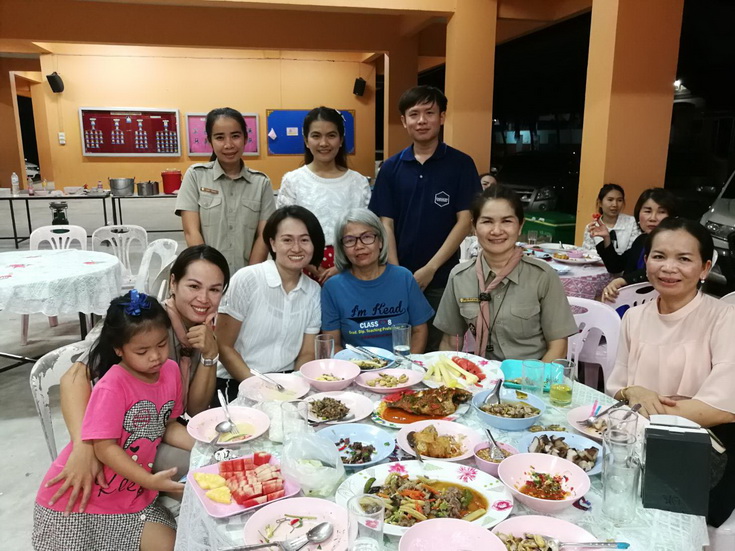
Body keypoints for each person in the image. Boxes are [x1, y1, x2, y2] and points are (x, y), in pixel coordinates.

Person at [54, 245, 229, 513]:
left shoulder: (202, 329)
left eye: (214, 290)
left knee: (220, 462)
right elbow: (74, 377)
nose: (204, 298)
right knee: (209, 476)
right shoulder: (143, 321)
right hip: (120, 438)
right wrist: (84, 446)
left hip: (160, 428)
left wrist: (209, 354)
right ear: (173, 282)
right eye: (194, 286)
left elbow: (193, 410)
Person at [33, 291, 189, 551]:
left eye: (162, 344)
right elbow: (104, 448)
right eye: (142, 351)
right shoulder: (113, 385)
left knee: (173, 545)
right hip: (81, 498)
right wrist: (149, 480)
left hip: (130, 496)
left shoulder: (171, 371)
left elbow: (168, 424)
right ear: (119, 349)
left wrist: (206, 442)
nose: (155, 356)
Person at [605, 217, 735, 527]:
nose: (668, 268)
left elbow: (721, 409)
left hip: (701, 457)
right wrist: (633, 392)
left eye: (684, 259)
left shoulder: (723, 318)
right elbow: (617, 387)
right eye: (659, 256)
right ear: (646, 260)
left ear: (704, 268)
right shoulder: (634, 317)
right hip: (635, 447)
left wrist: (643, 407)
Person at [369, 85, 481, 352]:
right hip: (397, 276)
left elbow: (465, 221)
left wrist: (430, 268)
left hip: (442, 278)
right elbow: (385, 223)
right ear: (403, 121)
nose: (421, 120)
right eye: (414, 114)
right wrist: (397, 273)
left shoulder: (461, 164)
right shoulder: (390, 168)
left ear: (441, 117)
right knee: (395, 347)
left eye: (429, 113)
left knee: (436, 349)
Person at [434, 184, 578, 361]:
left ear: (520, 226)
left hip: (534, 373)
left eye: (507, 221)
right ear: (474, 227)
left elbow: (558, 348)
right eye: (487, 221)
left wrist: (530, 378)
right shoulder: (459, 277)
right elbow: (450, 343)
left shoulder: (543, 276)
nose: (496, 231)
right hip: (484, 374)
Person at [216, 206, 325, 400]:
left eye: (304, 240)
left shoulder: (314, 291)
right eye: (287, 240)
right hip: (237, 379)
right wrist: (260, 389)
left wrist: (295, 387)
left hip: (288, 382)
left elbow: (307, 353)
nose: (297, 248)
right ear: (273, 244)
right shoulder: (247, 279)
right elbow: (224, 346)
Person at [175, 107, 276, 275]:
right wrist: (210, 275)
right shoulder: (195, 176)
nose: (229, 145)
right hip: (207, 276)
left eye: (235, 136)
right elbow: (191, 232)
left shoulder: (261, 183)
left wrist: (248, 277)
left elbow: (263, 237)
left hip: (248, 274)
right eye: (220, 137)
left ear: (245, 138)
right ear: (210, 141)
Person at [277, 106, 371, 284]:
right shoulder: (292, 181)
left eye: (331, 135)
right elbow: (284, 231)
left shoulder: (358, 182)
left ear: (341, 140)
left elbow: (366, 231)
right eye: (316, 136)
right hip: (301, 266)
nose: (324, 143)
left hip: (351, 266)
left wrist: (342, 265)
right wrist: (311, 265)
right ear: (306, 140)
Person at [321, 208, 434, 352]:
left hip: (402, 364)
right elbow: (333, 344)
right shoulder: (332, 288)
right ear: (342, 248)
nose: (359, 246)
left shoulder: (404, 278)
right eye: (350, 240)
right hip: (354, 364)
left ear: (380, 241)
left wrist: (407, 363)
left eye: (367, 237)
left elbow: (419, 331)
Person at [588, 187, 677, 302]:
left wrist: (623, 280)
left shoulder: (673, 246)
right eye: (647, 211)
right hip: (631, 299)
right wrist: (606, 238)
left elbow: (654, 271)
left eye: (661, 212)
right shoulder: (641, 240)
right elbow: (616, 267)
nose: (653, 218)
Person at [582, 183, 641, 254]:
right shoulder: (592, 227)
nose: (615, 204)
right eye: (610, 200)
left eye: (619, 200)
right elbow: (588, 253)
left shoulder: (632, 223)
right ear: (600, 203)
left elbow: (633, 252)